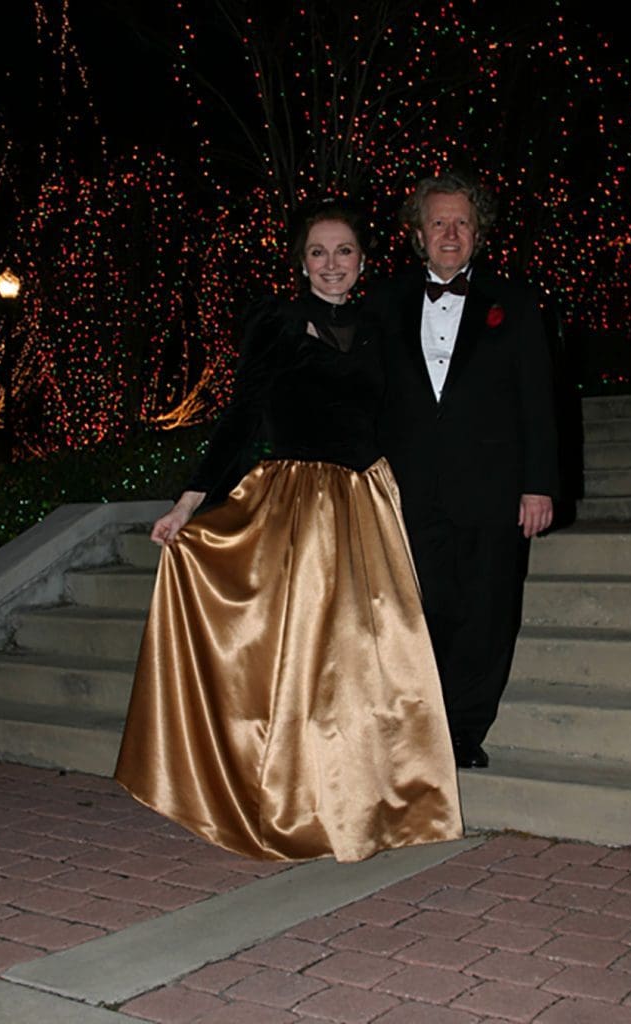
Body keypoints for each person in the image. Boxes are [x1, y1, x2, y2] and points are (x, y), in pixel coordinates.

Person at [115, 200, 463, 863]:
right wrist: (189, 503)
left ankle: (367, 802)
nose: (331, 264)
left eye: (344, 252)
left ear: (362, 261)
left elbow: (405, 419)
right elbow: (243, 416)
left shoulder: (380, 325)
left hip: (364, 503)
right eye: (318, 253)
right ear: (301, 262)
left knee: (366, 661)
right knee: (297, 659)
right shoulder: (274, 322)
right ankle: (282, 799)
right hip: (293, 504)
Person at [366, 171, 560, 770]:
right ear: (418, 234)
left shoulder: (517, 302)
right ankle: (418, 729)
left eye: (462, 223)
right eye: (438, 223)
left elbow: (540, 398)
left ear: (478, 232)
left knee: (488, 611)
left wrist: (540, 484)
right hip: (410, 488)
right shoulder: (382, 302)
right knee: (422, 613)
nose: (450, 233)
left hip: (494, 489)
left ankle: (464, 733)